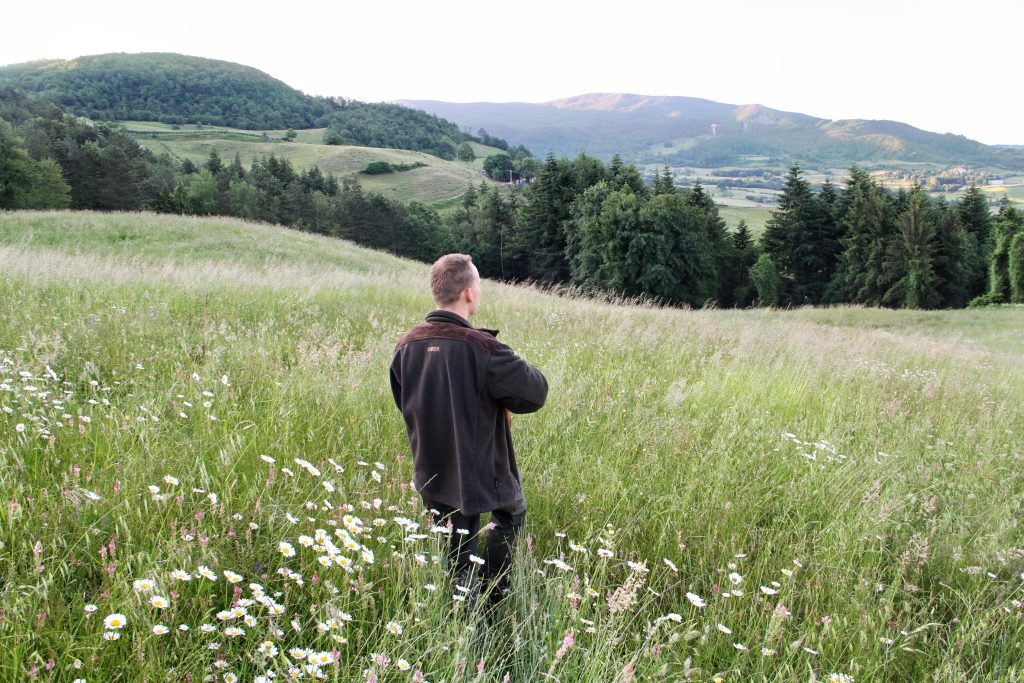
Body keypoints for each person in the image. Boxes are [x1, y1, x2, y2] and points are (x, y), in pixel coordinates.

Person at [390, 253, 548, 602]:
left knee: (455, 537)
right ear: (469, 294)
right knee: (511, 513)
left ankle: (462, 605)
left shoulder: (406, 346)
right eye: (478, 284)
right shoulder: (484, 349)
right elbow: (536, 392)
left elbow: (406, 402)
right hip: (480, 468)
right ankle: (493, 592)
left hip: (430, 467)